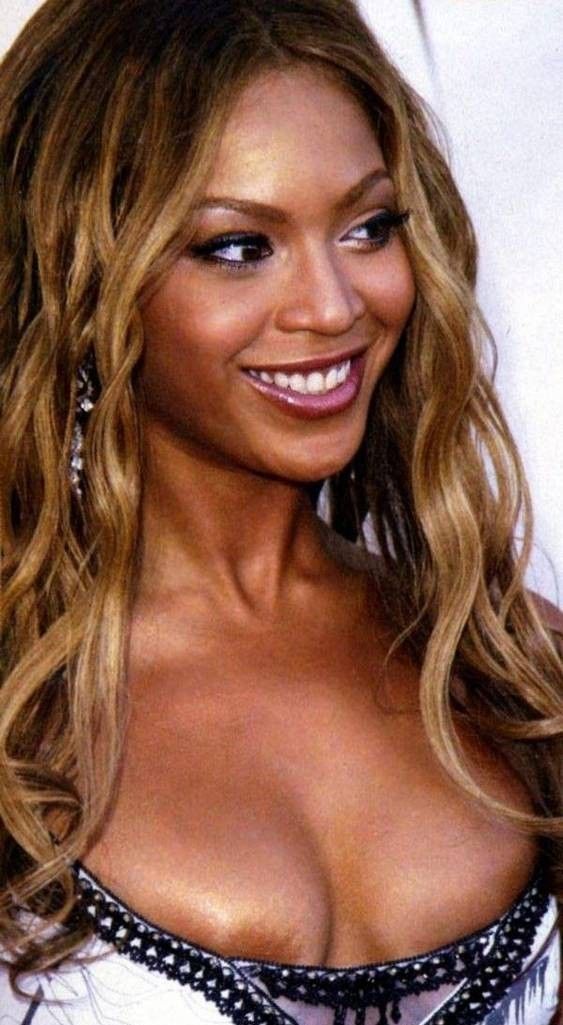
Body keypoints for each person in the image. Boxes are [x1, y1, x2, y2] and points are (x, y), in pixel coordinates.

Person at [0, 0, 562, 1022]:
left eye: (366, 227)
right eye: (236, 246)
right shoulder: (17, 706)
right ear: (81, 279)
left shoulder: (514, 666)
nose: (333, 304)